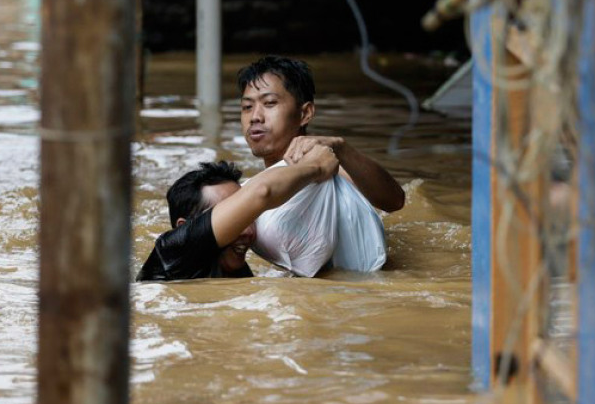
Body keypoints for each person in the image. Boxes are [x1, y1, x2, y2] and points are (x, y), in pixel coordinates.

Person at [136, 145, 339, 281]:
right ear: (185, 227)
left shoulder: (236, 273)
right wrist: (317, 167)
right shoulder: (171, 251)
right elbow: (262, 192)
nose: (248, 231)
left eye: (250, 218)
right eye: (237, 215)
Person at [237, 56, 405, 212]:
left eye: (269, 103)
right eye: (247, 107)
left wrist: (341, 148)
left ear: (305, 114)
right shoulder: (252, 188)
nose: (255, 117)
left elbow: (395, 202)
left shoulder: (331, 171)